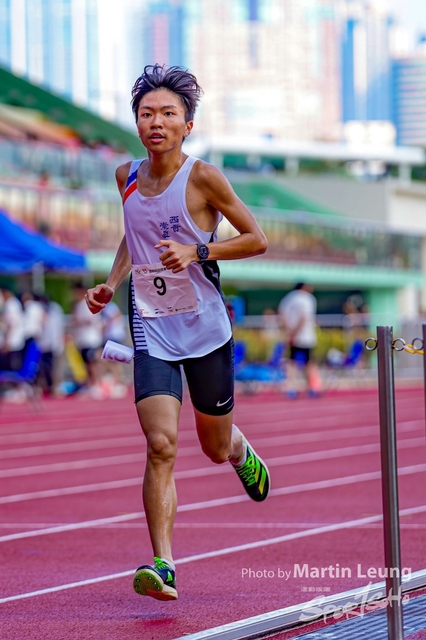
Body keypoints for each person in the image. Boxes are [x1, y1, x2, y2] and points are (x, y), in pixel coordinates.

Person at [85, 64, 270, 602]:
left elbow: (256, 238)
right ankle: (163, 565)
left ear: (187, 125)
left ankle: (238, 449)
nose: (156, 122)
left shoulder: (204, 177)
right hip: (152, 327)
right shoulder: (125, 176)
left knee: (213, 446)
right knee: (160, 444)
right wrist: (111, 283)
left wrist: (198, 250)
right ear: (137, 123)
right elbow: (134, 234)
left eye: (168, 113)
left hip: (206, 329)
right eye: (147, 114)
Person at [278, 282, 322, 398]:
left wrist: (289, 331)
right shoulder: (307, 298)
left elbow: (282, 314)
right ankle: (311, 387)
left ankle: (291, 387)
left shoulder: (289, 297)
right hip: (305, 336)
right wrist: (295, 332)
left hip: (294, 335)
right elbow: (304, 317)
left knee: (292, 362)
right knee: (308, 362)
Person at [70, 283, 103, 388]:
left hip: (91, 338)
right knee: (87, 363)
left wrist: (78, 320)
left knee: (93, 361)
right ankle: (91, 383)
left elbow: (90, 319)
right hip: (82, 339)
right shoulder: (78, 305)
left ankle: (96, 383)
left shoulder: (87, 304)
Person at [0, 286, 25, 371]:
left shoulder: (10, 305)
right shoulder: (15, 303)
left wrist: (7, 341)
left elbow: (11, 325)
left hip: (11, 341)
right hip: (15, 340)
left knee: (10, 367)